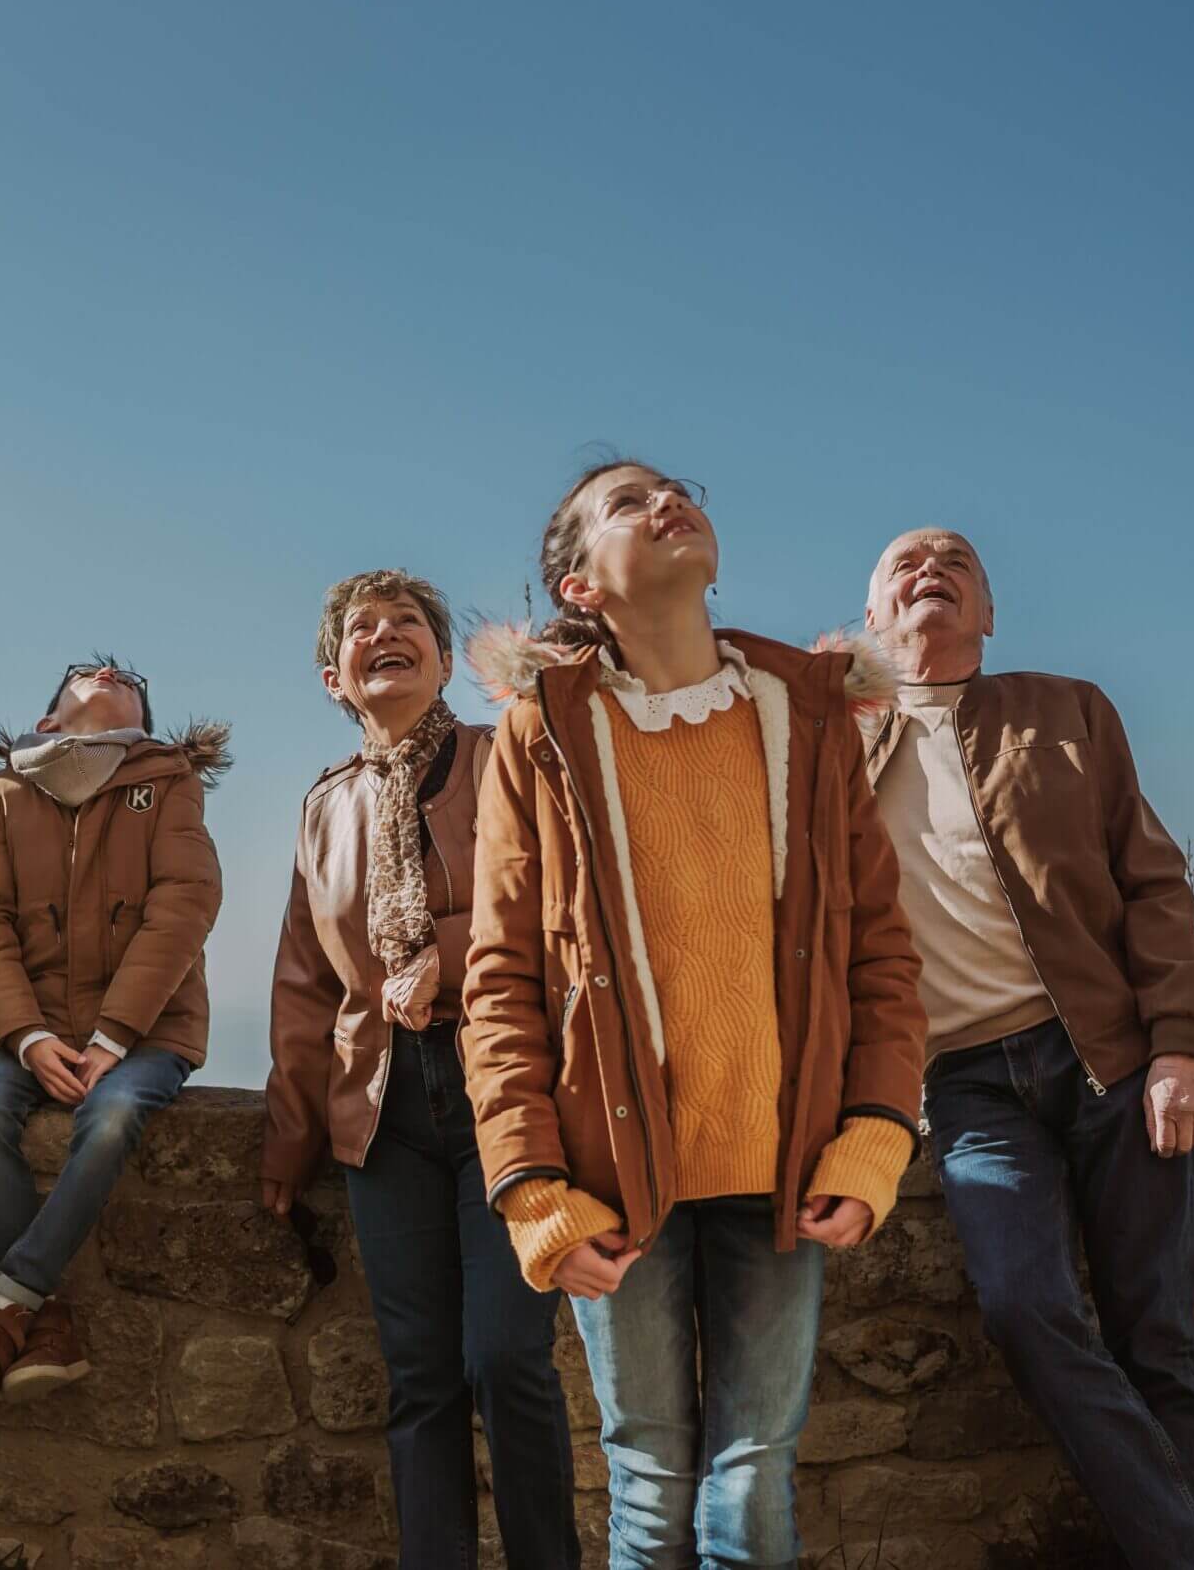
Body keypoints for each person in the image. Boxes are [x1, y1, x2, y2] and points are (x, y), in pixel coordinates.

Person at [461, 459, 926, 1569]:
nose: (668, 502)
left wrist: (872, 1142)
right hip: (616, 1172)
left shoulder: (808, 713)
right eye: (627, 502)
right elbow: (500, 980)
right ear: (579, 587)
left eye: (678, 488)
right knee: (649, 1479)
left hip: (789, 1160)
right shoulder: (539, 734)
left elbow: (878, 954)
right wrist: (531, 1189)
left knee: (753, 1480)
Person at [861, 527, 1194, 1570]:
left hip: (1108, 1056)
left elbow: (1152, 883)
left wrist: (1179, 1047)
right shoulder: (835, 737)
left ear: (988, 615)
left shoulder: (1067, 708)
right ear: (871, 616)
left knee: (1157, 1338)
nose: (932, 569)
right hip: (964, 1083)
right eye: (906, 565)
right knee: (1026, 1309)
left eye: (958, 564)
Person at [263, 571, 580, 1570]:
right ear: (333, 678)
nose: (386, 636)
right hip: (382, 1112)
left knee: (506, 1359)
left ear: (445, 662)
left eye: (409, 625)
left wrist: (445, 950)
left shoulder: (504, 758)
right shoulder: (323, 807)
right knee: (421, 1379)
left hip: (507, 1088)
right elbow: (304, 983)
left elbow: (558, 898)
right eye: (364, 630)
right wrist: (288, 1141)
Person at [0, 659, 224, 1404]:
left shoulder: (168, 785)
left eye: (126, 675)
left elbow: (184, 904)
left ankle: (8, 1304)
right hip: (31, 1030)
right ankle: (47, 1320)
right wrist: (27, 1035)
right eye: (83, 672)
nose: (104, 669)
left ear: (140, 724)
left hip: (149, 1033)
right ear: (51, 720)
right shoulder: (3, 794)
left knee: (115, 1113)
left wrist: (114, 1036)